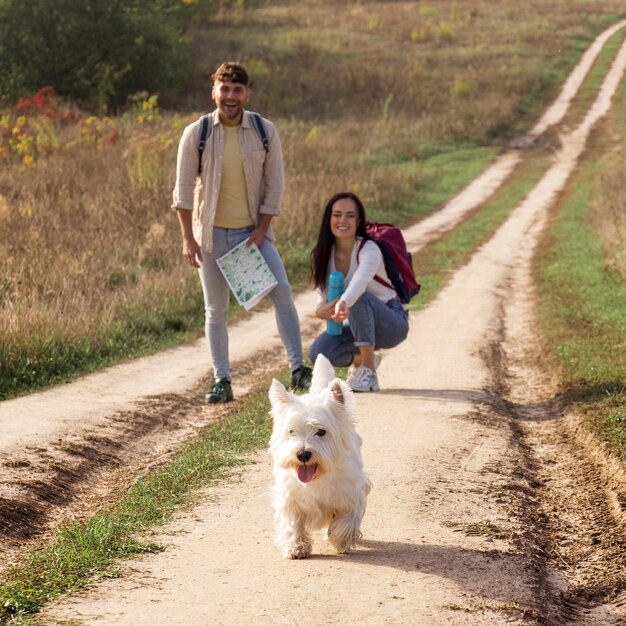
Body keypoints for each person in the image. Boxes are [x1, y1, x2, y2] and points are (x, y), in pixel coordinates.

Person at [171, 61, 312, 403]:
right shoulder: (197, 133)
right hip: (211, 238)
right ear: (214, 92)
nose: (230, 96)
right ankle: (222, 380)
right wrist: (188, 239)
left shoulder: (265, 130)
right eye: (225, 89)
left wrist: (262, 230)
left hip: (253, 235)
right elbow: (183, 191)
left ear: (246, 93)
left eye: (237, 90)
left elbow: (275, 184)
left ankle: (298, 369)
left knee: (283, 295)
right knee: (216, 310)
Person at [309, 192, 409, 392]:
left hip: (391, 323)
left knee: (358, 298)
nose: (342, 220)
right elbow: (323, 299)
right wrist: (320, 311)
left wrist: (343, 303)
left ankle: (368, 373)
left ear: (359, 220)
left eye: (350, 215)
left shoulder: (369, 249)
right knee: (318, 353)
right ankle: (365, 357)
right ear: (329, 219)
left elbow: (358, 285)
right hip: (356, 324)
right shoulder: (320, 255)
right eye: (337, 214)